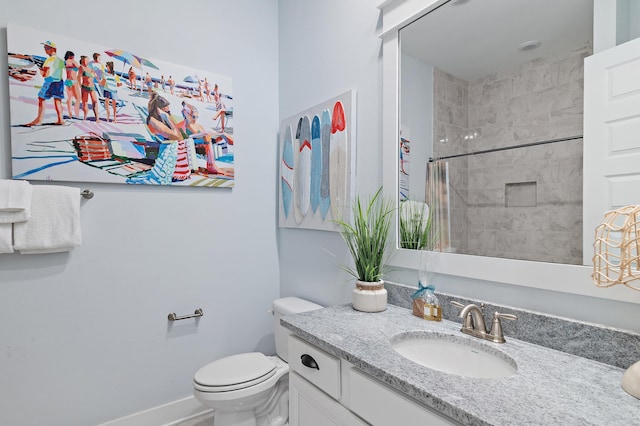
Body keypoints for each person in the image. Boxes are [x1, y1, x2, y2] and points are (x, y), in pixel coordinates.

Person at [26, 41, 65, 126]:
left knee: (41, 99)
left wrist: (40, 69)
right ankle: (60, 119)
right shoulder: (60, 60)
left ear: (53, 49)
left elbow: (45, 75)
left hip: (50, 81)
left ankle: (38, 120)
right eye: (44, 48)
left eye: (47, 48)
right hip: (59, 82)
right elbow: (60, 72)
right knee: (58, 100)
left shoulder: (48, 60)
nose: (45, 50)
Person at [181, 101, 221, 174]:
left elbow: (205, 133)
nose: (195, 119)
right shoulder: (184, 126)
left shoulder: (198, 125)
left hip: (203, 142)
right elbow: (185, 138)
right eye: (193, 117)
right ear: (187, 115)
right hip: (193, 145)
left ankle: (212, 163)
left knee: (220, 136)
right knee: (206, 136)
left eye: (197, 117)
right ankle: (211, 165)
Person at [78, 55, 100, 122]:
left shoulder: (90, 69)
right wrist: (80, 86)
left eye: (88, 60)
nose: (88, 61)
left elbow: (97, 77)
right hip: (85, 87)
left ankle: (97, 118)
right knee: (85, 102)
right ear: (83, 61)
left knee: (95, 101)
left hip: (92, 87)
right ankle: (85, 117)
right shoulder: (81, 67)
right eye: (86, 60)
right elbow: (78, 77)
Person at [63, 50, 81, 119]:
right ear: (71, 56)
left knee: (70, 98)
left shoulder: (65, 62)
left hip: (68, 81)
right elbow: (80, 68)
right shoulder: (73, 61)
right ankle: (76, 114)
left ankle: (70, 114)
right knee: (78, 98)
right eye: (73, 56)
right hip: (73, 81)